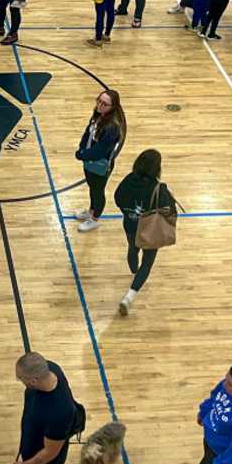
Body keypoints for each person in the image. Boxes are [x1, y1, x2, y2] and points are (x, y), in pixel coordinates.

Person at [113, 149, 176, 315]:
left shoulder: (128, 179)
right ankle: (129, 296)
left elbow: (117, 197)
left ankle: (134, 272)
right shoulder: (157, 188)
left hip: (130, 226)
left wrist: (128, 212)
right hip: (149, 231)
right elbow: (169, 211)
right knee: (147, 263)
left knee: (132, 249)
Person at [72, 90, 126, 233]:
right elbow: (88, 132)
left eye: (105, 104)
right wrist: (82, 148)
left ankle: (94, 219)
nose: (100, 105)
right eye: (99, 101)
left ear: (113, 107)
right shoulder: (99, 115)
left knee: (98, 191)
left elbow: (100, 151)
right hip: (89, 161)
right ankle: (91, 211)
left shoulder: (112, 127)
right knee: (92, 188)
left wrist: (82, 155)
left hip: (99, 165)